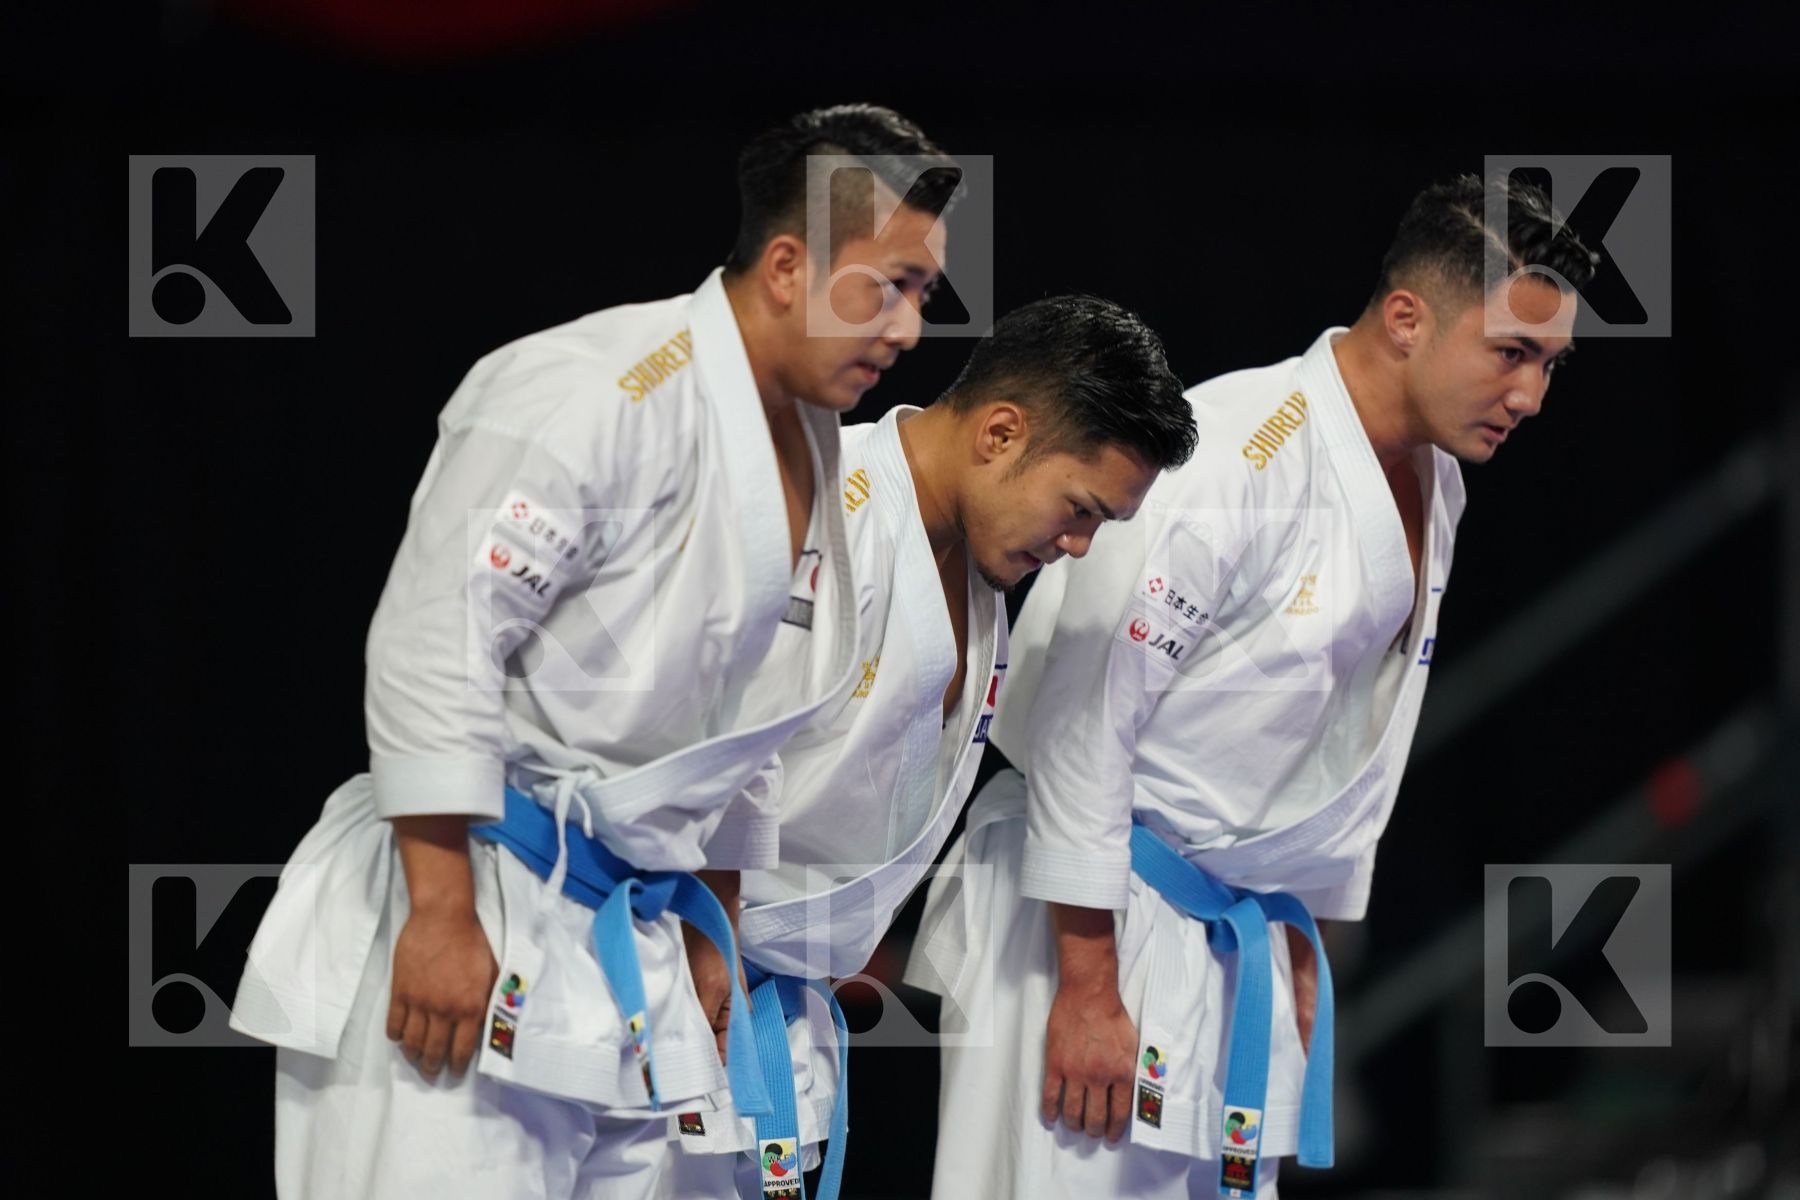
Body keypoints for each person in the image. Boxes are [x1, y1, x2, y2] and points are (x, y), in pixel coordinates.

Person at [228, 102, 957, 1199]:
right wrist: (437, 911)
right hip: (481, 893)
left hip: (633, 946)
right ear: (788, 263)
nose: (907, 330)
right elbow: (438, 639)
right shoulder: (597, 389)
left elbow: (747, 721)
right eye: (888, 286)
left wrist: (719, 922)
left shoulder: (806, 446)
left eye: (925, 297)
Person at [906, 174, 1596, 1198]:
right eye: (1511, 354)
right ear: (1408, 318)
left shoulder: (1435, 475)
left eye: (1550, 364)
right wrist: (1090, 983)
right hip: (1084, 916)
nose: (1532, 396)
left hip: (1230, 934)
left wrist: (1309, 930)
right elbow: (1088, 720)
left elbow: (1360, 731)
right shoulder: (1233, 453)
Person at [660, 294, 1200, 1198]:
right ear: (999, 432)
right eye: (1079, 508)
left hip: (771, 996)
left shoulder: (973, 562)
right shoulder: (825, 515)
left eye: (1101, 525)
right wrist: (706, 930)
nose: (1078, 545)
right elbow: (716, 738)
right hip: (679, 959)